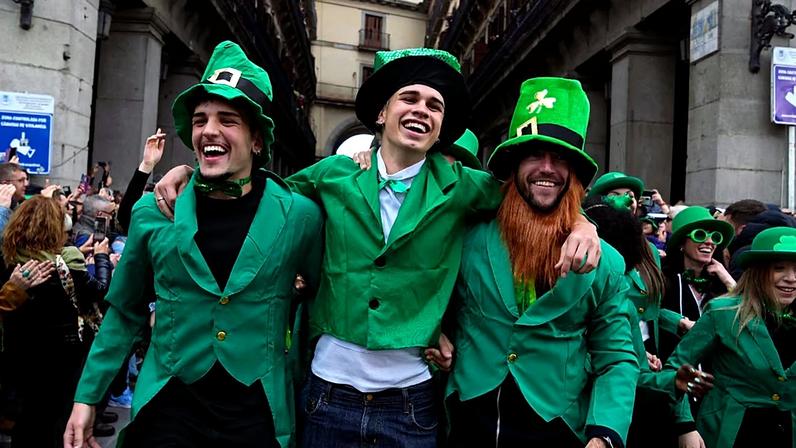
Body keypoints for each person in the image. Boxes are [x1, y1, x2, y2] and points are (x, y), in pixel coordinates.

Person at [154, 48, 602, 447]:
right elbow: (257, 194)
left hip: (411, 406)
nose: (421, 110)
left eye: (434, 105)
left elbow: (530, 194)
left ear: (441, 126)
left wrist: (583, 224)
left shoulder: (464, 187)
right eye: (409, 99)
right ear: (382, 114)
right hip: (327, 399)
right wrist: (189, 175)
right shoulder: (332, 174)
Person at [63, 40, 324, 448]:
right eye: (201, 119)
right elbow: (125, 310)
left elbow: (324, 297)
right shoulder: (155, 210)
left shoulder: (300, 216)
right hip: (167, 414)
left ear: (257, 139)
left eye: (228, 119)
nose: (210, 130)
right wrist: (87, 396)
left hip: (257, 419)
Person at [445, 77, 638, 448]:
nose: (547, 167)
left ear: (575, 176)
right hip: (470, 422)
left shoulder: (607, 263)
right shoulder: (468, 236)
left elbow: (617, 357)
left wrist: (605, 433)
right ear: (513, 163)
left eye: (562, 158)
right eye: (534, 154)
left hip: (558, 428)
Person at [583, 195, 705, 448]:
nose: (627, 200)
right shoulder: (545, 287)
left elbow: (630, 369)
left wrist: (672, 383)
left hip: (615, 414)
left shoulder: (620, 304)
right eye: (617, 194)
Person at [661, 226, 796, 448]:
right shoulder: (723, 312)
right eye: (779, 268)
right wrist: (685, 426)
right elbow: (676, 370)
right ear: (757, 272)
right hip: (730, 433)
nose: (791, 279)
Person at [0, 196, 112, 447]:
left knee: (28, 419)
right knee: (56, 421)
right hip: (61, 357)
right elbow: (102, 291)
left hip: (19, 355)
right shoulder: (65, 263)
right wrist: (103, 258)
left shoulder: (10, 261)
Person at [659, 206, 736, 364]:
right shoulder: (663, 278)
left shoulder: (720, 282)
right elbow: (647, 312)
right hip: (673, 368)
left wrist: (729, 281)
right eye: (700, 235)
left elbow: (748, 314)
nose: (709, 242)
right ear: (682, 243)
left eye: (715, 237)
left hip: (714, 374)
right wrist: (678, 321)